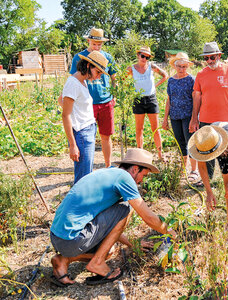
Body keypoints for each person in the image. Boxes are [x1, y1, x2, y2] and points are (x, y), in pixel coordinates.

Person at [49, 148, 177, 287]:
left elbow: (110, 224)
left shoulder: (108, 173)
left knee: (108, 252)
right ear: (135, 169)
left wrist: (131, 244)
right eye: (144, 175)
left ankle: (64, 260)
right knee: (126, 207)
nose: (142, 181)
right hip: (71, 240)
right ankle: (97, 263)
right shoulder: (124, 178)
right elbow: (148, 217)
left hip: (58, 237)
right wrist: (170, 231)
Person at [189, 42, 228, 178]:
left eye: (212, 57)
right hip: (205, 118)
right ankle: (208, 180)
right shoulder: (201, 74)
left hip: (225, 120)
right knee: (206, 151)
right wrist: (194, 118)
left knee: (226, 150)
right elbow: (196, 97)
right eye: (206, 58)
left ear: (219, 56)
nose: (209, 61)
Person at [68, 28, 117, 168]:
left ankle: (108, 166)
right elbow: (74, 79)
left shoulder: (107, 58)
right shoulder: (79, 57)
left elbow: (114, 78)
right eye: (94, 44)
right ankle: (85, 167)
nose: (96, 47)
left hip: (106, 101)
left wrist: (114, 95)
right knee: (85, 136)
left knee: (106, 135)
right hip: (86, 103)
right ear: (88, 41)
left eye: (99, 45)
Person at [62, 51, 109, 184]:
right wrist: (72, 144)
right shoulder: (73, 83)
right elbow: (65, 115)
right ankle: (78, 203)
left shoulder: (82, 82)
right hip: (82, 133)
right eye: (98, 72)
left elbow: (62, 100)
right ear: (88, 65)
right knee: (83, 179)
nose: (99, 76)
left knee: (86, 175)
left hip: (89, 129)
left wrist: (74, 111)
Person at [162, 52, 199, 183]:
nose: (182, 69)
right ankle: (183, 168)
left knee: (191, 142)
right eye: (179, 66)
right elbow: (169, 100)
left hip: (188, 116)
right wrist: (165, 118)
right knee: (180, 143)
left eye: (184, 66)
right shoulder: (171, 80)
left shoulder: (191, 80)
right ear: (175, 66)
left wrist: (195, 118)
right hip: (175, 116)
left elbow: (195, 99)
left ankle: (194, 170)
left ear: (188, 66)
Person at [127, 46, 168, 161]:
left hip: (151, 99)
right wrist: (129, 90)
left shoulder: (152, 67)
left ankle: (160, 154)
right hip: (138, 99)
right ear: (138, 55)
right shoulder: (131, 69)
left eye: (147, 57)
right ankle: (140, 155)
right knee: (139, 129)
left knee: (155, 128)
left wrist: (155, 86)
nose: (144, 58)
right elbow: (122, 80)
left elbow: (165, 76)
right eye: (142, 56)